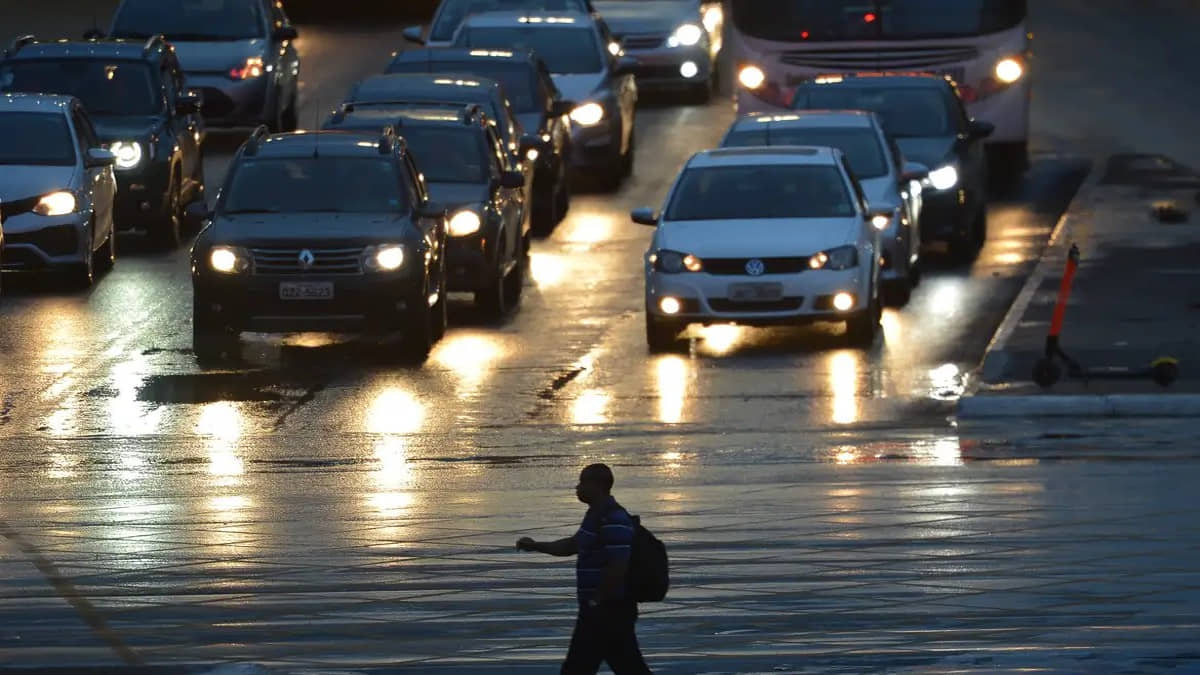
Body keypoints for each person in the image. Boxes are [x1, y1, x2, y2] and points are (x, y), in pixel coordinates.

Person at [517, 463, 651, 674]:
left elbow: (619, 564)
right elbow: (572, 546)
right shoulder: (596, 516)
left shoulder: (612, 518)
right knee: (621, 665)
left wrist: (598, 599)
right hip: (600, 609)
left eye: (582, 482)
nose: (577, 487)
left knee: (583, 668)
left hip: (608, 609)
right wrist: (535, 546)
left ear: (597, 485)